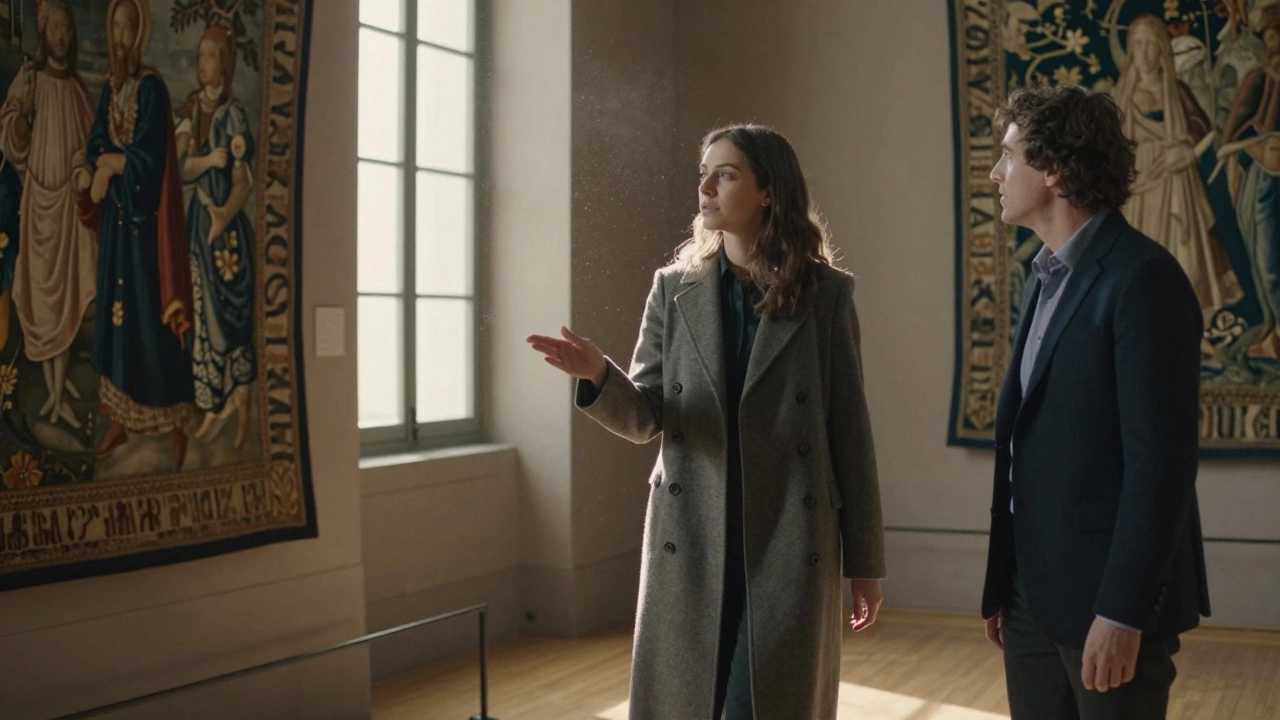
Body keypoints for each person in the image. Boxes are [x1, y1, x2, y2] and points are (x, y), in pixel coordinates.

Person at [526, 124, 886, 720]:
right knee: (691, 702)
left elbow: (850, 433)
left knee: (760, 706)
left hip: (790, 544)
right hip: (692, 538)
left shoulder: (826, 296)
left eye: (726, 173)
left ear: (769, 190)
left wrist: (866, 563)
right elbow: (648, 418)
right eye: (705, 172)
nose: (706, 186)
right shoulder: (674, 290)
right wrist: (598, 375)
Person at [982, 84, 1210, 720]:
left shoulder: (1144, 280)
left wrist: (1122, 611)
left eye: (1008, 156)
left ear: (1053, 168)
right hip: (1030, 597)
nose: (996, 172)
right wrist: (1008, 584)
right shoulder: (1045, 274)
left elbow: (1160, 466)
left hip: (1108, 603)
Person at [77, 0, 195, 471]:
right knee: (118, 324)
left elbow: (151, 159)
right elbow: (95, 141)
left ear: (139, 33)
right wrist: (100, 162)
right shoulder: (113, 88)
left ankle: (175, 426)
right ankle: (120, 418)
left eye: (129, 26)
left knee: (150, 326)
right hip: (118, 233)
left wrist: (111, 165)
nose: (121, 35)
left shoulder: (149, 89)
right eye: (116, 27)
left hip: (146, 235)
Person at [0, 0, 98, 428]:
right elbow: (10, 126)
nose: (60, 36)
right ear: (42, 33)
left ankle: (60, 390)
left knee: (68, 292)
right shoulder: (30, 79)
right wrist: (19, 126)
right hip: (37, 202)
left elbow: (87, 146)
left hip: (67, 212)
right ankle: (53, 389)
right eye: (53, 29)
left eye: (66, 30)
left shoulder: (77, 90)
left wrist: (82, 169)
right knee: (42, 295)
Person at [174, 24, 257, 448]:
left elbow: (244, 180)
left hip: (227, 229)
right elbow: (182, 167)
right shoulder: (191, 109)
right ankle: (211, 404)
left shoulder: (236, 115)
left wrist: (226, 213)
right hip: (200, 227)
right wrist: (207, 160)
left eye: (209, 56)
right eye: (199, 56)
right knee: (204, 315)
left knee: (235, 315)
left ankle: (238, 398)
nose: (201, 64)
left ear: (224, 63)